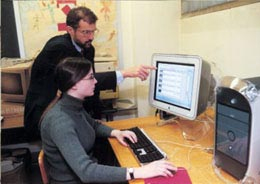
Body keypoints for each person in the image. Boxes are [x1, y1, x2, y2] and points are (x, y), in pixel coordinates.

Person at [24, 6, 155, 141]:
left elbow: (91, 85)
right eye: (85, 32)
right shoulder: (59, 47)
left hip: (69, 110)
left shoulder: (87, 48)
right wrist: (125, 73)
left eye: (93, 32)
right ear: (70, 30)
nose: (91, 37)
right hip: (46, 112)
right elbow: (80, 81)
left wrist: (95, 118)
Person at [40, 57, 177, 184]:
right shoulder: (60, 121)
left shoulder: (73, 106)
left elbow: (93, 125)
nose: (95, 81)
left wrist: (115, 132)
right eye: (91, 77)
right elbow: (86, 172)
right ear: (74, 84)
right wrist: (139, 171)